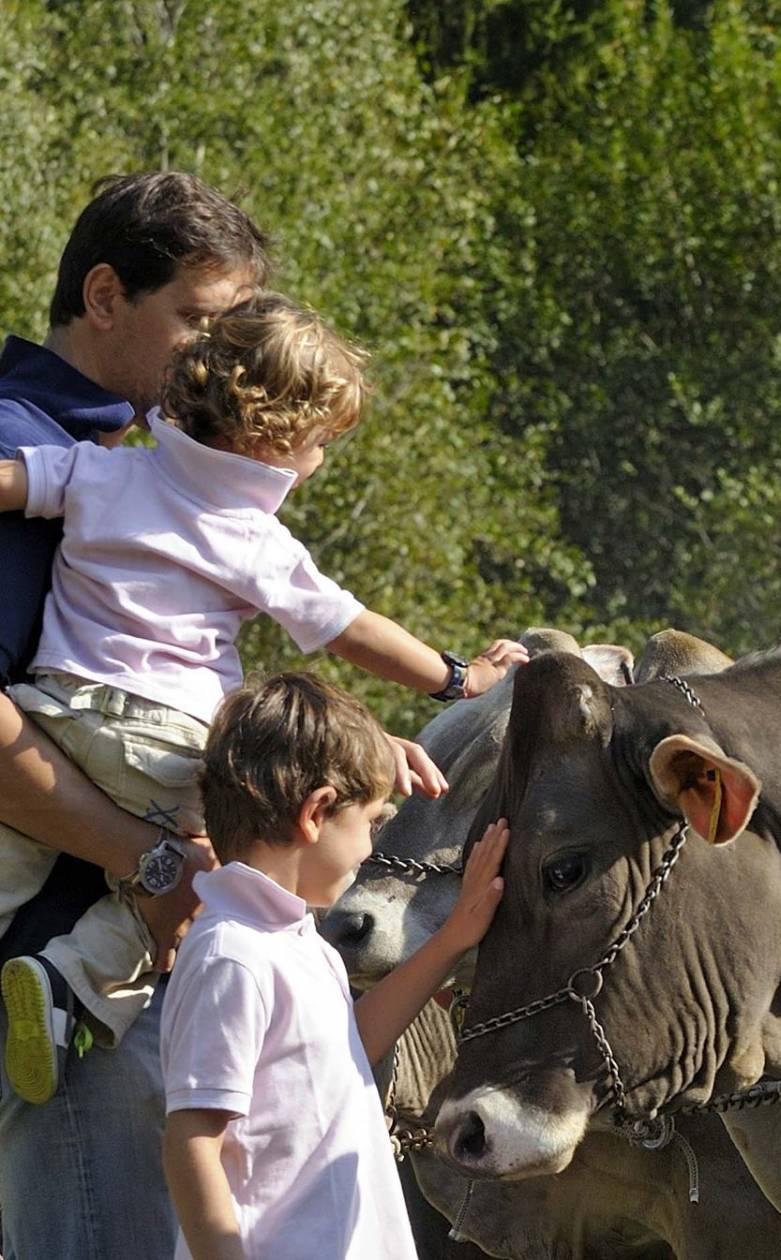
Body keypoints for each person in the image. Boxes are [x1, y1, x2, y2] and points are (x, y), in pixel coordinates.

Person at [0, 289, 528, 1109]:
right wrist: (460, 677)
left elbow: (10, 481)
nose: (318, 463)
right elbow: (354, 631)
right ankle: (66, 983)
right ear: (272, 442)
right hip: (172, 747)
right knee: (203, 873)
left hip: (56, 713)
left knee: (13, 846)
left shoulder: (104, 468)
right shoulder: (254, 539)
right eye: (318, 445)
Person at [0, 171, 268, 1260]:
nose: (220, 362)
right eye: (198, 323)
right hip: (50, 979)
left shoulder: (131, 460)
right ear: (104, 295)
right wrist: (157, 868)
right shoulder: (22, 452)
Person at [162, 672, 508, 1260]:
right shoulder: (233, 956)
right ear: (317, 812)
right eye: (373, 823)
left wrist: (453, 938)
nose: (373, 847)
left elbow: (353, 1045)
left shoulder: (296, 940)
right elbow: (192, 1143)